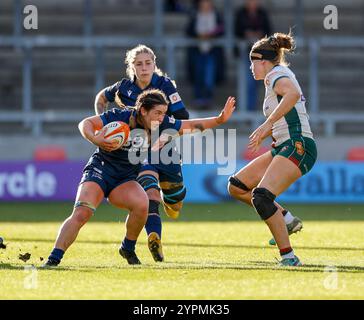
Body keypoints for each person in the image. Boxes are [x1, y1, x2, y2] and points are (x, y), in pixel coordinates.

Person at [43, 90, 235, 267]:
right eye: (157, 113)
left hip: (125, 177)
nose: (162, 118)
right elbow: (86, 123)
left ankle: (127, 247)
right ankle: (54, 259)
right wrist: (95, 138)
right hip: (100, 169)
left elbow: (192, 125)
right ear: (143, 110)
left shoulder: (163, 124)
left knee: (143, 204)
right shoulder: (121, 116)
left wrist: (219, 119)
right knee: (82, 213)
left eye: (164, 113)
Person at [228, 32, 317, 266]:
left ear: (264, 61)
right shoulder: (276, 77)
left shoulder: (275, 75)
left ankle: (289, 256)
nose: (250, 67)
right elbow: (287, 110)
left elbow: (293, 94)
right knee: (237, 187)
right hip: (284, 145)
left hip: (298, 145)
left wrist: (266, 125)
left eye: (252, 62)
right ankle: (286, 218)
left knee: (262, 198)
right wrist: (265, 132)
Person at [94, 44, 190, 263]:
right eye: (139, 63)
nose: (144, 67)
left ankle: (171, 201)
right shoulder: (124, 87)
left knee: (175, 204)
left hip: (166, 151)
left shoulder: (165, 85)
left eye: (148, 63)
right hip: (138, 153)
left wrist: (165, 135)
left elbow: (183, 115)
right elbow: (102, 97)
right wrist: (103, 125)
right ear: (132, 67)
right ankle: (154, 239)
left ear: (155, 65)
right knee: (150, 195)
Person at [186, 0, 225, 109]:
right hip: (197, 51)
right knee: (198, 74)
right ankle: (198, 98)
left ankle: (208, 98)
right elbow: (189, 30)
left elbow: (222, 30)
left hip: (212, 51)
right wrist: (198, 35)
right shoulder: (194, 15)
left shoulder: (216, 15)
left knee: (209, 75)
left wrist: (211, 35)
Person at [234, 0, 271, 111]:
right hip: (245, 53)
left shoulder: (262, 13)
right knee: (249, 82)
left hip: (261, 55)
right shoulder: (240, 14)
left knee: (256, 83)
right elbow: (237, 32)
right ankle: (248, 109)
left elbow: (268, 31)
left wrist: (259, 35)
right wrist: (247, 34)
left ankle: (252, 108)